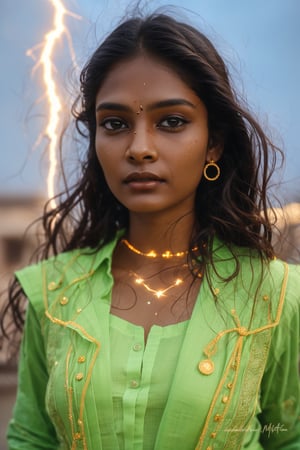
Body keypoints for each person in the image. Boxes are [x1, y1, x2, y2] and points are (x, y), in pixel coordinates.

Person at [2, 11, 300, 450]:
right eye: (115, 124)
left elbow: (287, 437)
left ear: (213, 142)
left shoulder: (273, 298)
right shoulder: (55, 292)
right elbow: (32, 439)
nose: (139, 148)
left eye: (172, 121)